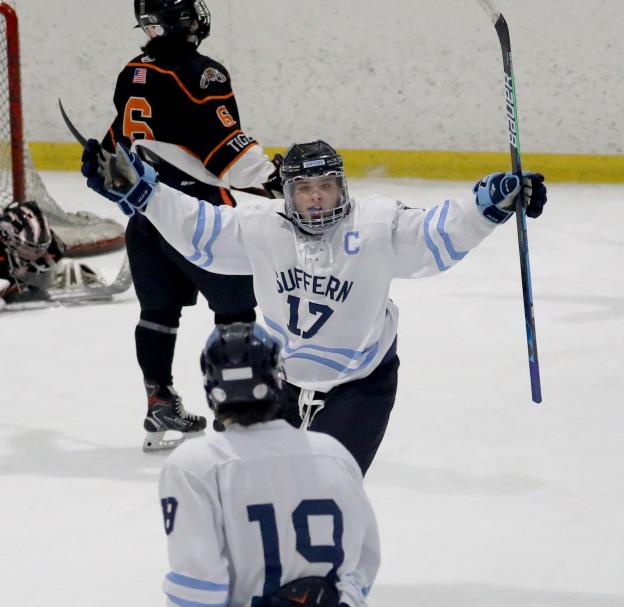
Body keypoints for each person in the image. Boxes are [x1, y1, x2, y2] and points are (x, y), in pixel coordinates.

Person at [82, 139, 548, 473]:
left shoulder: (376, 224)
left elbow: (436, 233)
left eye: (326, 185)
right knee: (261, 489)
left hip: (360, 386)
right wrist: (144, 191)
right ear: (288, 195)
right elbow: (198, 229)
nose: (318, 196)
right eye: (305, 189)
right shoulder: (263, 225)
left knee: (327, 491)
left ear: (342, 187)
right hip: (280, 385)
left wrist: (491, 203)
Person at [101, 0, 282, 452]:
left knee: (158, 314)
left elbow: (117, 142)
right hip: (200, 216)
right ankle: (238, 410)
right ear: (182, 21)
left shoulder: (132, 70)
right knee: (237, 308)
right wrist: (277, 180)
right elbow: (226, 151)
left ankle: (158, 400)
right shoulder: (203, 73)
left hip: (147, 213)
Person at [159, 322, 380, 607]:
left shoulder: (195, 465)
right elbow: (364, 561)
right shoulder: (333, 454)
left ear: (212, 388)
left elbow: (199, 589)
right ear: (277, 378)